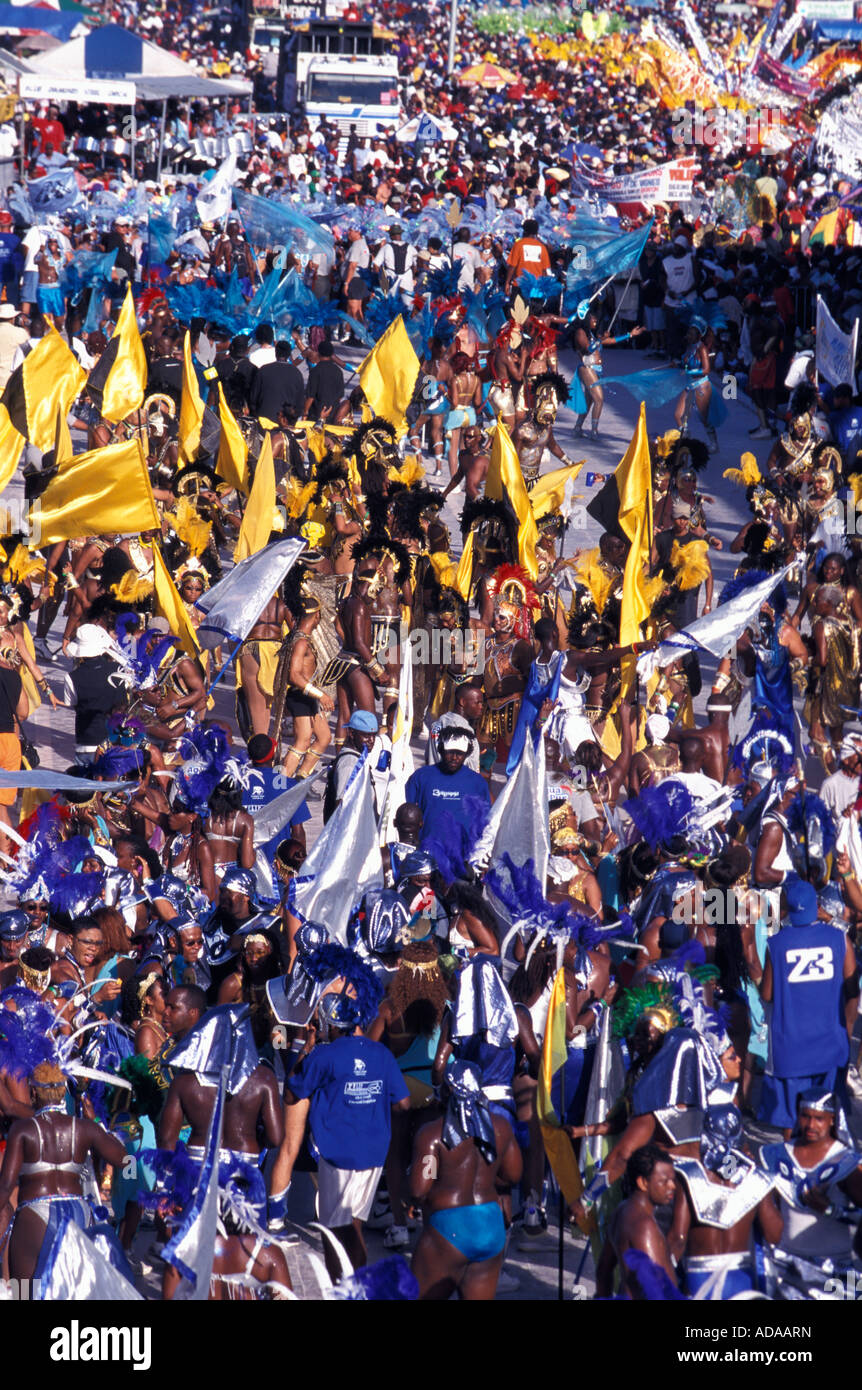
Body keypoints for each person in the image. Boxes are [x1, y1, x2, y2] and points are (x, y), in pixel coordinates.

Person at [271, 975, 410, 1278]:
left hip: (338, 1155)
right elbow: (403, 1104)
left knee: (333, 1231)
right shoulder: (382, 1054)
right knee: (353, 1224)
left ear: (330, 1025)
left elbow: (292, 1091)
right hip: (375, 1154)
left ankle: (344, 1288)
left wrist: (306, 1048)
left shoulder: (323, 1055)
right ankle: (355, 1286)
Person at [0, 1061, 127, 1280]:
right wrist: (96, 1121)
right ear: (62, 1091)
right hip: (78, 1212)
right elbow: (127, 1160)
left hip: (35, 1214)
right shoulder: (85, 1128)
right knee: (73, 1286)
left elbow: (6, 1184)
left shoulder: (23, 1129)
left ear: (33, 1091)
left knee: (22, 1287)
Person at [409, 1060, 522, 1300]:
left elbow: (419, 1190)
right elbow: (513, 1175)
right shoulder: (501, 1127)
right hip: (490, 1226)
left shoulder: (431, 1134)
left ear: (447, 1090)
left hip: (449, 1229)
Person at [760, 877, 858, 1135]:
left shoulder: (776, 943)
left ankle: (792, 1171)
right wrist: (846, 1030)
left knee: (792, 1121)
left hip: (790, 1048)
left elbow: (767, 994)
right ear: (817, 906)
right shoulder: (840, 939)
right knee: (828, 1119)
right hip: (830, 1047)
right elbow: (852, 990)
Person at [595, 1145, 678, 1299]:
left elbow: (603, 1270)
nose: (672, 1186)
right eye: (664, 1181)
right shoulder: (644, 1226)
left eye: (673, 1180)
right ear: (642, 1183)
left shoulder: (622, 1210)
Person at [405, 726, 490, 843]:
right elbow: (406, 813)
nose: (454, 758)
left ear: (467, 753)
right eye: (450, 752)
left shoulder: (477, 782)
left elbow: (485, 820)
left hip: (462, 855)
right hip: (427, 851)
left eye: (459, 753)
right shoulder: (421, 777)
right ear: (441, 750)